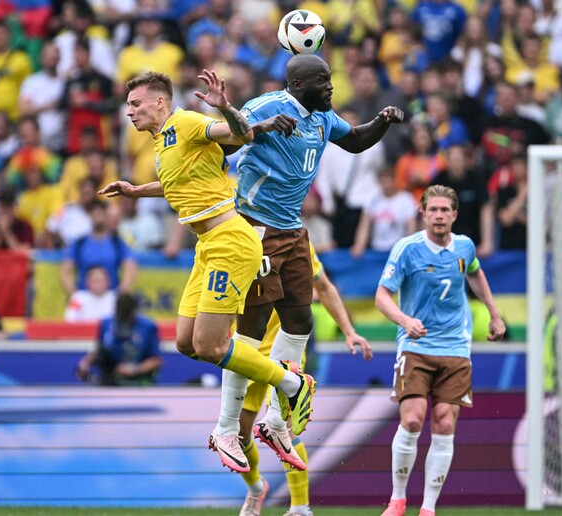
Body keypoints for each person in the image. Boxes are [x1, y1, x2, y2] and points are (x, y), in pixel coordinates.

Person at [97, 70, 315, 474]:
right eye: (128, 105)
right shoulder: (164, 143)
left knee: (213, 346)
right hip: (206, 246)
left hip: (230, 241)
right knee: (185, 343)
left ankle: (291, 385)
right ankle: (273, 393)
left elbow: (241, 135)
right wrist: (135, 190)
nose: (130, 112)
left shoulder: (188, 122)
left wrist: (226, 107)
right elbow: (175, 184)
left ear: (160, 102)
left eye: (136, 103)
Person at [230, 53, 403, 471]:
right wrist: (258, 126)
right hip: (256, 227)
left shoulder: (323, 118)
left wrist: (382, 120)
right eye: (323, 80)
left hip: (291, 228)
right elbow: (229, 134)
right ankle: (227, 427)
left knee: (301, 321)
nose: (331, 86)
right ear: (299, 84)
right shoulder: (268, 106)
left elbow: (356, 139)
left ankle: (276, 421)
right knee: (251, 328)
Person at [374, 185, 506, 516]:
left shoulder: (464, 246)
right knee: (414, 419)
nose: (438, 215)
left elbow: (474, 271)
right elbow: (382, 297)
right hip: (416, 345)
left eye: (445, 210)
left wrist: (494, 314)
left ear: (454, 215)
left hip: (456, 347)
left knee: (445, 422)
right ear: (423, 213)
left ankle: (428, 508)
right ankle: (398, 498)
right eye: (432, 209)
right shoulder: (407, 249)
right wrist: (405, 321)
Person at [238, 242, 373, 516]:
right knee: (239, 436)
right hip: (247, 349)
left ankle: (300, 508)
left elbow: (323, 287)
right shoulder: (239, 238)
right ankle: (255, 488)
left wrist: (348, 330)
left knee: (285, 431)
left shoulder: (296, 241)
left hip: (285, 352)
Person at [75, 293, 161, 386]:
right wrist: (86, 363)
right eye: (120, 315)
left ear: (133, 312)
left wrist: (134, 370)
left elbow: (156, 360)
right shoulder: (107, 324)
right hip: (111, 380)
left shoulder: (148, 326)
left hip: (139, 381)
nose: (123, 319)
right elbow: (99, 351)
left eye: (127, 315)